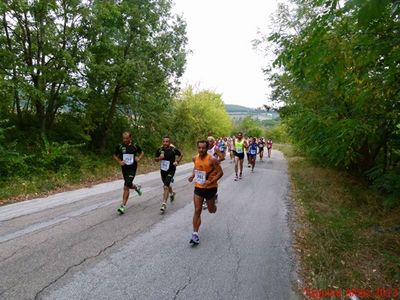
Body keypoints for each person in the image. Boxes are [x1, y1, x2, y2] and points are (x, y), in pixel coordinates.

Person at [188, 140, 224, 245]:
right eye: (199, 148)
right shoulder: (195, 158)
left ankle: (214, 203)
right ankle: (195, 234)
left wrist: (211, 181)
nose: (201, 150)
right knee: (197, 209)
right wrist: (192, 175)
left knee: (211, 210)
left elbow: (221, 172)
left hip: (210, 188)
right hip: (198, 187)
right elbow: (196, 167)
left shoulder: (212, 159)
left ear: (207, 148)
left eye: (203, 148)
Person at [113, 131, 144, 214]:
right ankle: (137, 187)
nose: (125, 140)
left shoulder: (135, 145)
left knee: (126, 186)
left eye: (127, 138)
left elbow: (142, 152)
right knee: (129, 184)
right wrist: (119, 161)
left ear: (130, 138)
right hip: (124, 169)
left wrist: (139, 158)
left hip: (132, 169)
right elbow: (114, 155)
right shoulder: (120, 146)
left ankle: (123, 206)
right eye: (124, 138)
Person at [155, 135, 183, 212]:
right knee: (166, 184)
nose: (165, 143)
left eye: (167, 141)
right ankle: (172, 193)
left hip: (171, 169)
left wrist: (177, 161)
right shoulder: (160, 149)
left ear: (169, 142)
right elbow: (155, 159)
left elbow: (181, 154)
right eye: (164, 141)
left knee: (165, 186)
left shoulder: (173, 149)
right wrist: (159, 158)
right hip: (163, 170)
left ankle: (163, 204)